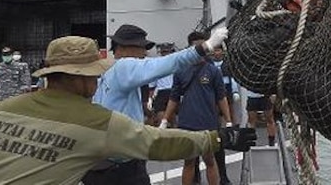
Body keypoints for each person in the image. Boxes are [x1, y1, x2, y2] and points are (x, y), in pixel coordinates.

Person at [0, 36, 256, 185]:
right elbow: (156, 143)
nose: (98, 80)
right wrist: (219, 139)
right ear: (82, 78)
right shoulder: (95, 123)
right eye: (93, 75)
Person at [82, 24, 229, 185]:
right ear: (124, 47)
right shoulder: (125, 66)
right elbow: (167, 64)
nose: (144, 53)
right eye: (142, 47)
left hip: (100, 163)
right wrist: (205, 46)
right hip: (122, 167)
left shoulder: (106, 72)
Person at [161, 32, 234, 185]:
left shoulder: (213, 71)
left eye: (203, 45)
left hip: (208, 123)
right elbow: (174, 98)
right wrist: (165, 120)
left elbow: (221, 98)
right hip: (187, 123)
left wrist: (228, 121)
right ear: (190, 48)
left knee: (210, 161)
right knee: (189, 162)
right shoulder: (180, 71)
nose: (201, 49)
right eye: (197, 46)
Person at [147, 42, 175, 126]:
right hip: (162, 92)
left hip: (172, 91)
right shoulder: (157, 64)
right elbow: (152, 85)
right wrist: (150, 98)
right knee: (162, 117)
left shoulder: (174, 63)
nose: (165, 53)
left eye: (167, 51)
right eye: (164, 52)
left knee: (173, 117)